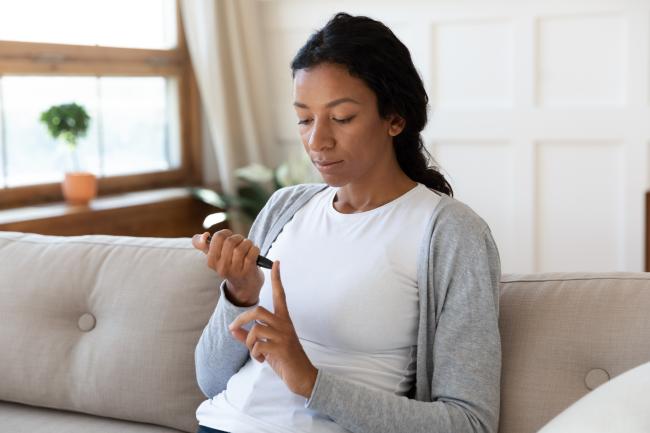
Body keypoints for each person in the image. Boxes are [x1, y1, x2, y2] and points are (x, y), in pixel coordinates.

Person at [191, 12, 502, 433]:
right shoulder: (286, 207)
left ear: (395, 118)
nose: (317, 140)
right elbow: (210, 381)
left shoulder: (450, 233)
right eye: (304, 118)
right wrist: (240, 295)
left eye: (341, 118)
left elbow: (469, 423)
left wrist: (311, 382)